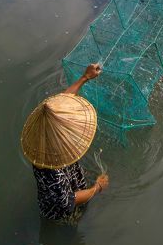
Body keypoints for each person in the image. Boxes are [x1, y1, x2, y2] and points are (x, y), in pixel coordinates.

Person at [21, 63, 109, 223]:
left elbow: (61, 104)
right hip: (62, 213)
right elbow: (69, 201)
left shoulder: (43, 126)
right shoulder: (52, 172)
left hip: (67, 184)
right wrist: (97, 188)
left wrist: (85, 77)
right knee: (73, 219)